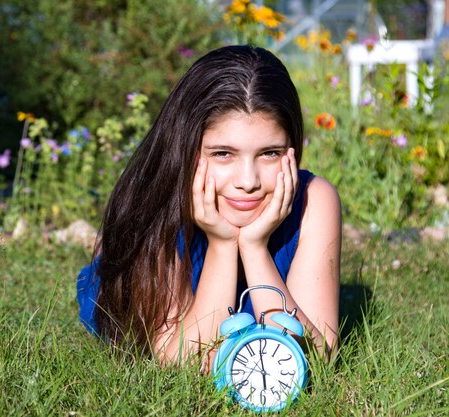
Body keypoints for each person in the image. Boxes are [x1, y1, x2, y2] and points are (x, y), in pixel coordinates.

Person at [76, 45, 341, 364]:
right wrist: (222, 243)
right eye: (222, 154)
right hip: (164, 301)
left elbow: (319, 357)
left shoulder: (314, 198)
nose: (248, 181)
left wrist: (255, 249)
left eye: (269, 153)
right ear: (185, 148)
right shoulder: (158, 205)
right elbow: (181, 359)